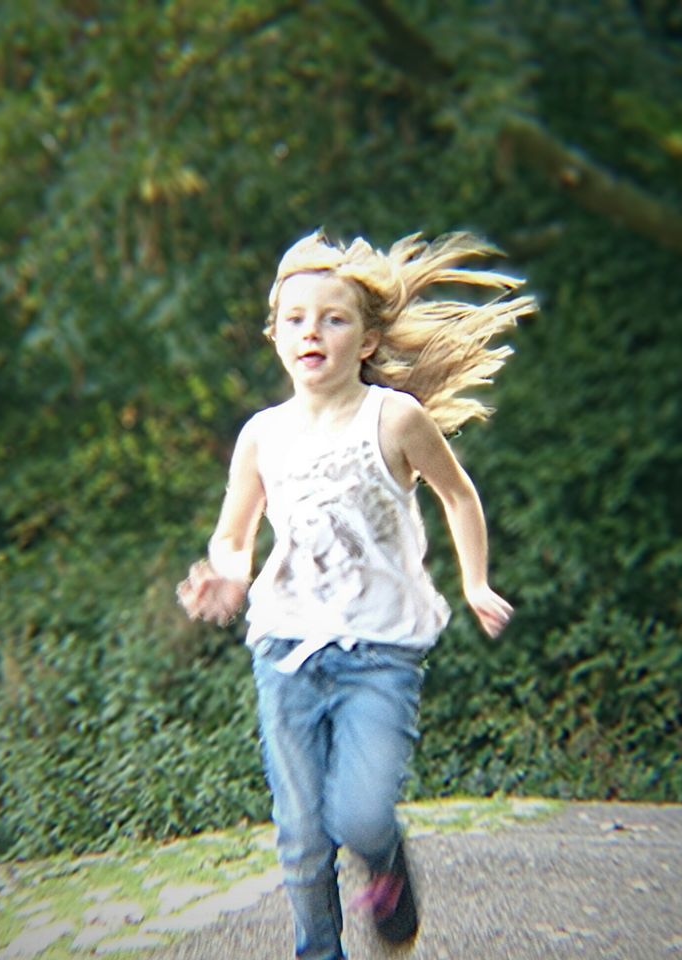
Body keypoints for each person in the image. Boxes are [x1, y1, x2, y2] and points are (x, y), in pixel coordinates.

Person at [176, 228, 534, 960]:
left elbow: (458, 497)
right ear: (275, 335)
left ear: (367, 339)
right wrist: (228, 574)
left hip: (380, 650)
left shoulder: (395, 418)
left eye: (333, 318)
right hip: (284, 649)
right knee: (303, 834)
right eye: (296, 318)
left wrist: (474, 581)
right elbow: (235, 533)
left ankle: (386, 863)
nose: (313, 331)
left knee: (363, 817)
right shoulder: (261, 436)